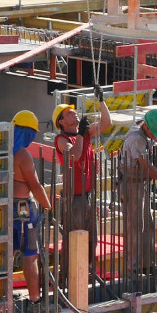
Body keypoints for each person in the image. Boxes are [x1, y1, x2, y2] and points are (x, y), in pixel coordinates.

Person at [52, 85, 112, 268]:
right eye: (69, 114)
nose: (74, 114)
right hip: (74, 198)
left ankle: (88, 274)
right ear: (61, 122)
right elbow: (75, 155)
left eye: (73, 111)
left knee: (91, 240)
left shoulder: (83, 133)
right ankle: (69, 276)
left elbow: (107, 124)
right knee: (74, 239)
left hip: (88, 195)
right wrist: (79, 134)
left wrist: (101, 101)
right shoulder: (62, 140)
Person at [119, 108, 157, 275]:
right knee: (135, 226)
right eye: (154, 133)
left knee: (147, 225)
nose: (156, 137)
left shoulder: (143, 126)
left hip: (140, 183)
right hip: (131, 184)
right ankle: (133, 267)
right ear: (147, 128)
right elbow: (147, 167)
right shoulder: (137, 139)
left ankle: (148, 264)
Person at [11, 110, 52, 310]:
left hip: (7, 209)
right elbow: (35, 186)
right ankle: (35, 300)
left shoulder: (4, 152)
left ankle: (4, 296)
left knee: (7, 255)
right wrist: (48, 206)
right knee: (30, 255)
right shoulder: (23, 155)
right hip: (23, 210)